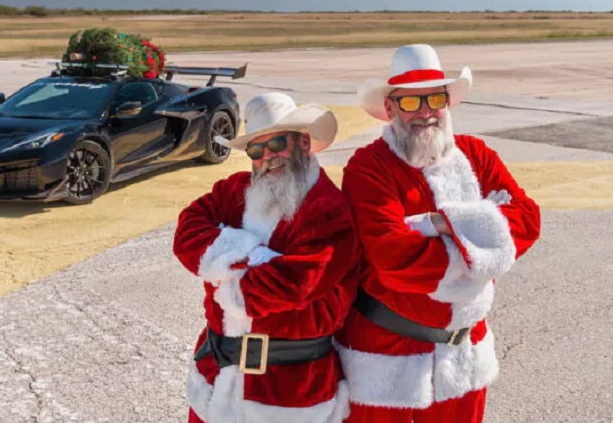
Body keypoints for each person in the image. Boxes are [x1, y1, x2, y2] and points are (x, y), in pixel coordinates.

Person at [335, 44, 541, 423]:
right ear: (391, 108)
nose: (426, 111)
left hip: (464, 354)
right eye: (411, 102)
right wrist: (482, 242)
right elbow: (392, 257)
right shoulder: (368, 167)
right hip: (384, 356)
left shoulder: (478, 155)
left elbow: (528, 220)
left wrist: (440, 223)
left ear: (448, 102)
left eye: (435, 98)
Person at [173, 92, 362, 423]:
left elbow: (294, 284)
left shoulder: (328, 210)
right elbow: (186, 233)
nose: (267, 157)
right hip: (218, 375)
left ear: (303, 142)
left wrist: (222, 267)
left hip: (288, 388)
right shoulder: (233, 190)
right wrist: (252, 253)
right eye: (256, 150)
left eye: (277, 143)